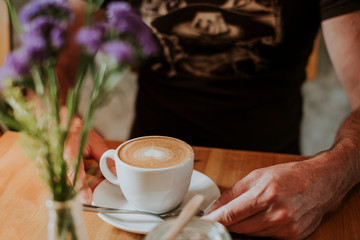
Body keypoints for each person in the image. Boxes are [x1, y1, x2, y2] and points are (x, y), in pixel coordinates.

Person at [60, 0, 360, 239]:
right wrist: (64, 123)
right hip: (138, 180)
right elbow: (46, 64)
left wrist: (329, 176)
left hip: (272, 190)